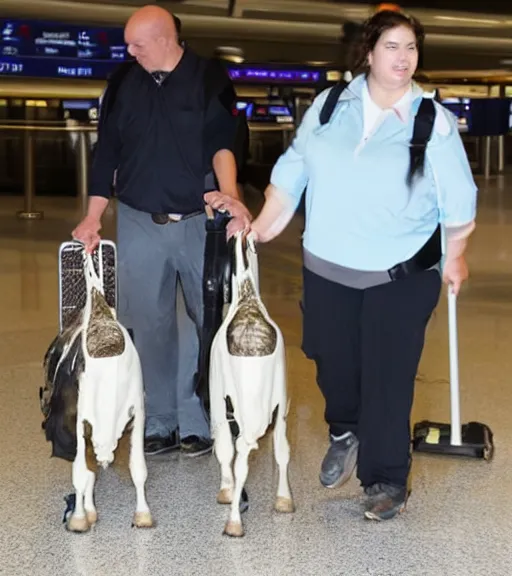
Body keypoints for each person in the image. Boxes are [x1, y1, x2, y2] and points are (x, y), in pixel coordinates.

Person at [205, 10, 477, 520]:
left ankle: (386, 479)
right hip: (328, 267)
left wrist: (455, 254)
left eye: (411, 48)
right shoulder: (330, 107)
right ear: (368, 54)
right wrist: (260, 227)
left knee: (388, 378)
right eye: (392, 47)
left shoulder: (430, 119)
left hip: (402, 272)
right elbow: (293, 171)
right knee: (332, 363)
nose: (404, 58)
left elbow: (458, 197)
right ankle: (345, 428)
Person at [72, 5, 249, 457]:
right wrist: (93, 216)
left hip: (198, 221)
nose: (129, 51)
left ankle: (199, 418)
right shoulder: (123, 82)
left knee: (202, 320)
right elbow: (106, 151)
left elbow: (222, 141)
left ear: (166, 38)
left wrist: (230, 196)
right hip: (138, 220)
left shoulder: (209, 77)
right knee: (147, 324)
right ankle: (160, 420)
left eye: (138, 44)